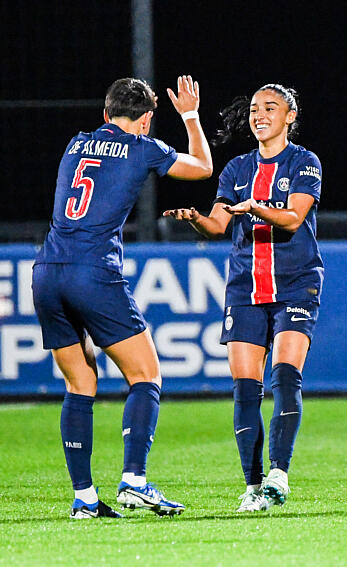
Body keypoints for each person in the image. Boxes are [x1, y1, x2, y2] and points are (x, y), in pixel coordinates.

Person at [32, 76, 213, 519]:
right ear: (148, 118)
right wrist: (190, 114)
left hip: (47, 271)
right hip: (92, 272)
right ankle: (134, 480)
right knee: (146, 376)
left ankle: (85, 498)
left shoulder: (76, 144)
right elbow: (203, 167)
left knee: (80, 384)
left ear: (105, 112)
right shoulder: (143, 148)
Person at [163, 84, 323, 512]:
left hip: (295, 282)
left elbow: (292, 218)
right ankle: (253, 487)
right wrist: (195, 217)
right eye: (254, 108)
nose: (259, 114)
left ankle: (279, 473)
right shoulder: (235, 169)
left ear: (290, 115)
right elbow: (218, 226)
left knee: (286, 375)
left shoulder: (304, 162)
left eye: (270, 107)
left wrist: (255, 208)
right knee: (245, 388)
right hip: (245, 289)